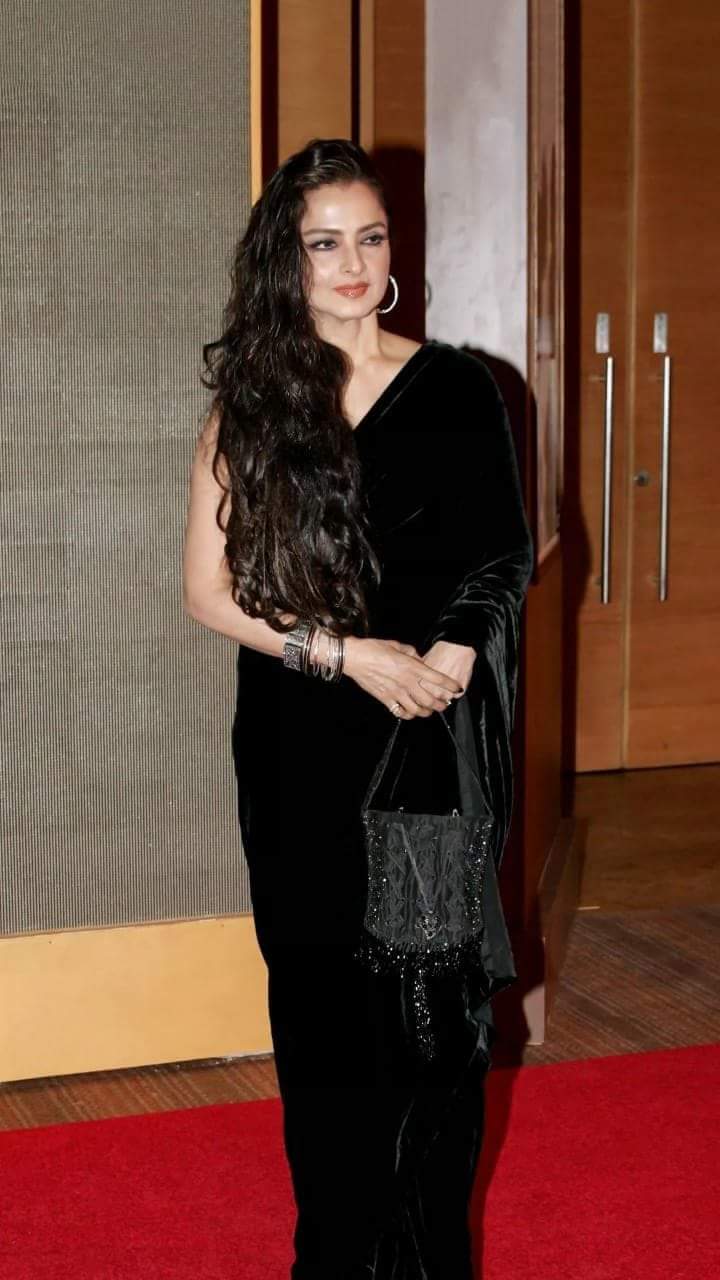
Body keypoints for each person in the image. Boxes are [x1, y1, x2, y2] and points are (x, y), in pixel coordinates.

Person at [182, 138, 533, 1279]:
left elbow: (501, 554)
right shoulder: (253, 408)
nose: (350, 263)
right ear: (285, 259)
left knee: (431, 1031)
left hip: (424, 748)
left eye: (369, 238)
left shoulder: (460, 388)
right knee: (326, 1026)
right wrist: (346, 656)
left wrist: (447, 660)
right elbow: (209, 593)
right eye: (323, 242)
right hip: (300, 753)